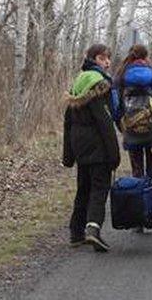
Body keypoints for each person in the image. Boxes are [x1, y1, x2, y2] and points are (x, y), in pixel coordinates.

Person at [62, 44, 120, 252]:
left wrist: (67, 154)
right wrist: (114, 154)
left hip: (79, 143)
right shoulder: (100, 84)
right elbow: (104, 121)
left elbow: (67, 121)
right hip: (98, 144)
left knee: (83, 188)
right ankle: (93, 229)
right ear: (96, 59)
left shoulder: (78, 81)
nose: (107, 63)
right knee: (99, 187)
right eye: (104, 59)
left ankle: (75, 233)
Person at [114, 45, 152, 181]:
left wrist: (121, 125)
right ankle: (150, 196)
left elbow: (116, 106)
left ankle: (138, 199)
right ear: (146, 57)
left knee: (137, 172)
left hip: (131, 128)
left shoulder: (121, 75)